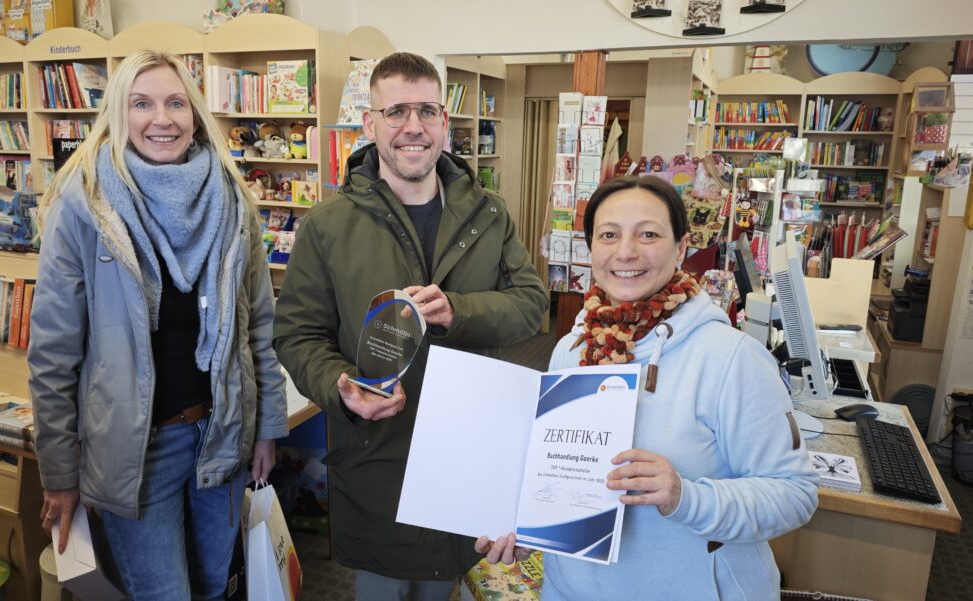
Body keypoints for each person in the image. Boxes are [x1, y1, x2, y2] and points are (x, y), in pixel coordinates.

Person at [273, 52, 548, 600]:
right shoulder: (328, 226)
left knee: (449, 579)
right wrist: (340, 387)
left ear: (445, 121)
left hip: (467, 446)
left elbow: (530, 304)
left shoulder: (489, 213)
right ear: (370, 123)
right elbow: (297, 334)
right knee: (384, 584)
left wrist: (458, 312)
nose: (413, 126)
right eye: (396, 111)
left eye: (426, 110)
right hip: (378, 453)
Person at [476, 176, 818, 600]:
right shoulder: (572, 349)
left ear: (681, 247)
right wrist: (533, 529)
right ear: (590, 248)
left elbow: (794, 494)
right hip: (571, 590)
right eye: (609, 235)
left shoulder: (731, 358)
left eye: (648, 235)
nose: (626, 252)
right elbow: (561, 484)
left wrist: (685, 497)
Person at [28, 50, 287, 601]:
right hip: (137, 451)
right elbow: (52, 353)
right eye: (141, 104)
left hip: (221, 431)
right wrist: (59, 472)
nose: (161, 119)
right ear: (118, 114)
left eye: (176, 103)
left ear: (195, 115)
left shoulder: (232, 199)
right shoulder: (85, 203)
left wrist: (267, 426)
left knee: (214, 585)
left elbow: (258, 327)